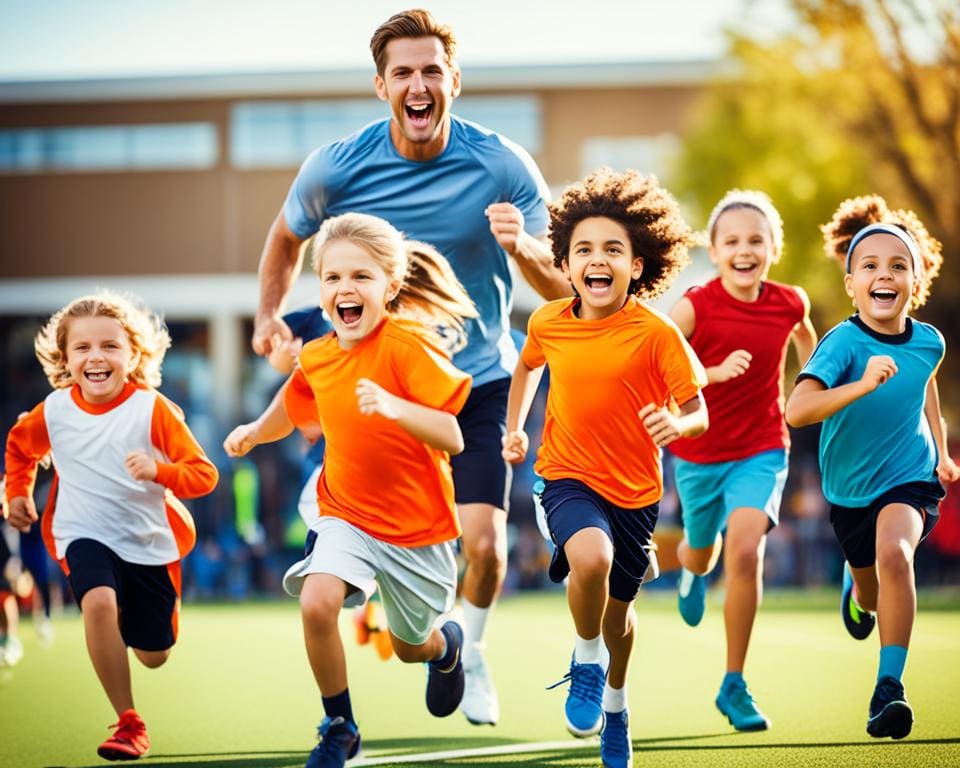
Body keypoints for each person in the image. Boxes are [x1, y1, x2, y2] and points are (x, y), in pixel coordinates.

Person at [251, 8, 569, 726]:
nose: (418, 85)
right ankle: (350, 557)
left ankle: (472, 648)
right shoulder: (338, 165)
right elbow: (283, 239)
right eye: (404, 73)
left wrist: (524, 252)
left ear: (453, 80)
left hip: (478, 381)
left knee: (483, 546)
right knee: (363, 529)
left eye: (431, 71)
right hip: (383, 382)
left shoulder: (502, 164)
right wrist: (269, 315)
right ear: (381, 86)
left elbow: (563, 292)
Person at [225, 212, 478, 768]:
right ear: (321, 291)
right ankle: (340, 725)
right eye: (333, 278)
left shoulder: (408, 346)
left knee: (412, 645)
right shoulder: (315, 355)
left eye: (360, 277)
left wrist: (394, 407)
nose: (345, 288)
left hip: (418, 530)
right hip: (346, 512)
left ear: (390, 285)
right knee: (317, 603)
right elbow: (289, 411)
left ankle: (445, 649)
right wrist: (251, 433)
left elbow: (453, 435)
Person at [502, 169, 708, 768]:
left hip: (636, 494)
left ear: (638, 266)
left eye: (613, 250)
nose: (597, 260)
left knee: (622, 614)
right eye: (583, 250)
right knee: (589, 559)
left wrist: (681, 426)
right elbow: (527, 368)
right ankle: (585, 661)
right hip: (564, 475)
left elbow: (696, 410)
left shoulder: (657, 333)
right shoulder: (547, 322)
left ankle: (615, 705)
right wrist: (514, 427)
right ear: (566, 264)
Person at [3, 291, 219, 760]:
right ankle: (128, 723)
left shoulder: (153, 409)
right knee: (98, 603)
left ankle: (140, 617)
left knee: (153, 655)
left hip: (147, 543)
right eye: (82, 348)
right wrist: (17, 493)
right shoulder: (54, 411)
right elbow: (20, 446)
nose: (95, 357)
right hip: (82, 533)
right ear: (65, 358)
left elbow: (204, 475)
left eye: (109, 346)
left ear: (133, 354)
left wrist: (159, 471)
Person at [786, 195, 958, 740]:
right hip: (848, 488)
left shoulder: (930, 342)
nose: (885, 275)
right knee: (868, 590)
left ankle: (889, 689)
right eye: (871, 267)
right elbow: (797, 410)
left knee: (895, 552)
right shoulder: (842, 343)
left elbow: (925, 390)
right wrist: (859, 385)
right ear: (851, 283)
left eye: (898, 266)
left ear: (914, 281)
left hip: (911, 474)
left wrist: (943, 448)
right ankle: (853, 590)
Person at [666, 190, 817, 731]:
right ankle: (689, 569)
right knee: (701, 551)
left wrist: (811, 386)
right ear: (713, 248)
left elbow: (807, 343)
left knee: (747, 548)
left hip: (762, 446)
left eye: (756, 240)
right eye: (732, 241)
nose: (744, 250)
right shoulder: (696, 305)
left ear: (774, 247)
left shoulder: (790, 301)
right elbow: (657, 355)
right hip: (698, 452)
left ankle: (734, 682)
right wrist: (708, 374)